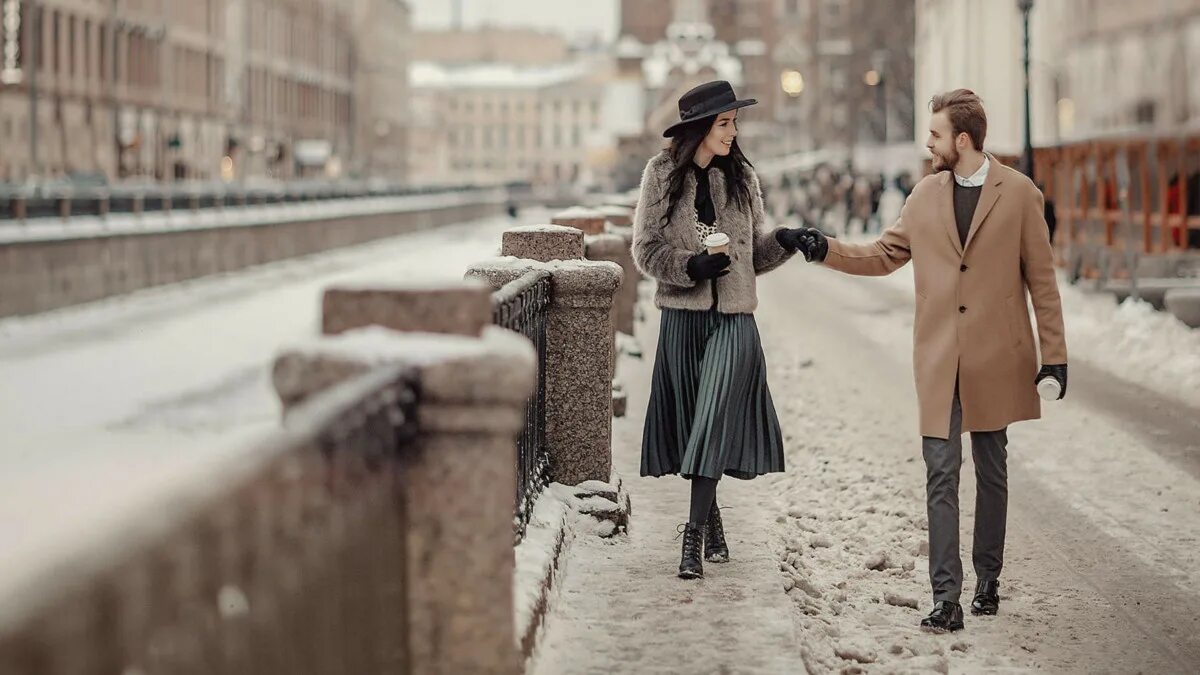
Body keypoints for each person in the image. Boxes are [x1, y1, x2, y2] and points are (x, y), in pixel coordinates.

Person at [793, 89, 1068, 632]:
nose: (929, 143)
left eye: (936, 134)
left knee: (992, 470)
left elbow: (1043, 281)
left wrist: (1054, 357)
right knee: (940, 474)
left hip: (997, 357)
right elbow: (882, 255)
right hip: (940, 357)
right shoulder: (923, 196)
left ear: (962, 140)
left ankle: (989, 576)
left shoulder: (1018, 195)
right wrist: (822, 247)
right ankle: (947, 597)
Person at [631, 80, 809, 580]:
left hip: (735, 320)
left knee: (710, 416)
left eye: (734, 123)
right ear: (699, 129)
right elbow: (644, 250)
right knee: (693, 423)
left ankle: (689, 539)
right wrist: (690, 266)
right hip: (683, 320)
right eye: (724, 123)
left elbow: (752, 253)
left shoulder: (743, 178)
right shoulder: (661, 174)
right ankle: (712, 521)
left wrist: (786, 241)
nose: (733, 133)